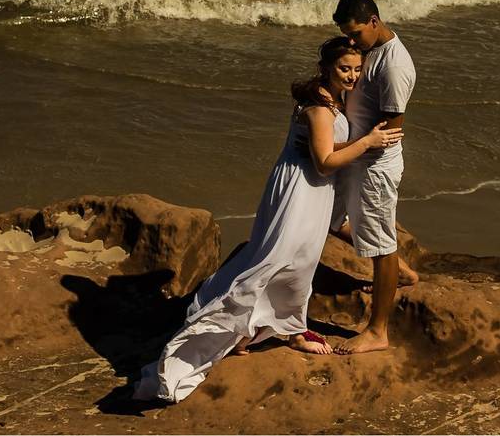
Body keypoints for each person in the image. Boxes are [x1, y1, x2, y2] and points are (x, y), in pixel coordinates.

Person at [132, 36, 403, 404]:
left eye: (357, 69)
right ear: (326, 67)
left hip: (307, 186)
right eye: (345, 68)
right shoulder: (320, 107)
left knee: (298, 260)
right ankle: (242, 329)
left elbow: (324, 150)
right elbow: (325, 161)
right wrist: (368, 142)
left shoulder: (329, 98)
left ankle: (277, 330)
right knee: (281, 258)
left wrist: (355, 144)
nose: (352, 76)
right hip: (301, 190)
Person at [329, 0, 417, 355]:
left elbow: (390, 130)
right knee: (332, 219)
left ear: (374, 22)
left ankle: (378, 331)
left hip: (374, 166)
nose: (352, 42)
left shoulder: (394, 65)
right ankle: (403, 273)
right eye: (346, 36)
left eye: (356, 34)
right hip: (357, 157)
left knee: (381, 247)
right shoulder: (372, 49)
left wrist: (341, 151)